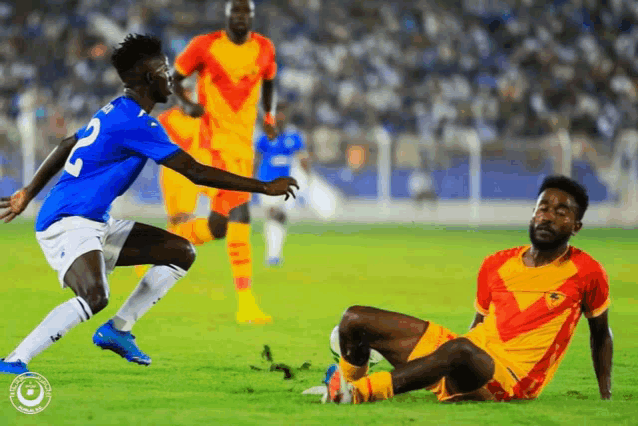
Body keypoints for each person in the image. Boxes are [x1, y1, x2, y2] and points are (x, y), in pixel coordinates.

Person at [0, 34, 297, 374]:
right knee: (95, 296)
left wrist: (28, 191)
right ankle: (13, 361)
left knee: (181, 252)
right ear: (146, 77)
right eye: (164, 69)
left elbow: (69, 142)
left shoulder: (116, 110)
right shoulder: (137, 123)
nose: (171, 76)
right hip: (66, 221)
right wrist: (263, 186)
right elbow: (195, 172)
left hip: (94, 221)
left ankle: (118, 329)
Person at [325, 175, 613, 403]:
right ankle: (342, 385)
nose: (547, 216)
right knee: (354, 318)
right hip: (468, 360)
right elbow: (477, 326)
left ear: (576, 226)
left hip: (511, 380)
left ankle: (360, 393)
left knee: (461, 350)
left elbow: (600, 334)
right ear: (532, 214)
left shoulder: (587, 271)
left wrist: (605, 393)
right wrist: (441, 362)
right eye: (543, 208)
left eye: (561, 212)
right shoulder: (496, 263)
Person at [169, 0, 278, 324]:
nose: (241, 18)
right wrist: (187, 105)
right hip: (212, 146)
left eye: (246, 13)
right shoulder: (204, 46)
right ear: (228, 16)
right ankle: (246, 302)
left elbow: (269, 81)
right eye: (236, 13)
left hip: (242, 149)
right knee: (240, 211)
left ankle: (169, 237)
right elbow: (174, 79)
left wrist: (269, 117)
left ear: (251, 17)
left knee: (217, 227)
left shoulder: (264, 48)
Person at [255, 102, 310, 266]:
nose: (281, 117)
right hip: (267, 182)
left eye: (283, 113)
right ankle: (272, 255)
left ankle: (274, 255)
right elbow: (256, 159)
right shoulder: (265, 136)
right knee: (274, 214)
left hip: (287, 184)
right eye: (278, 113)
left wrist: (308, 176)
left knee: (280, 218)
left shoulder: (293, 136)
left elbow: (302, 157)